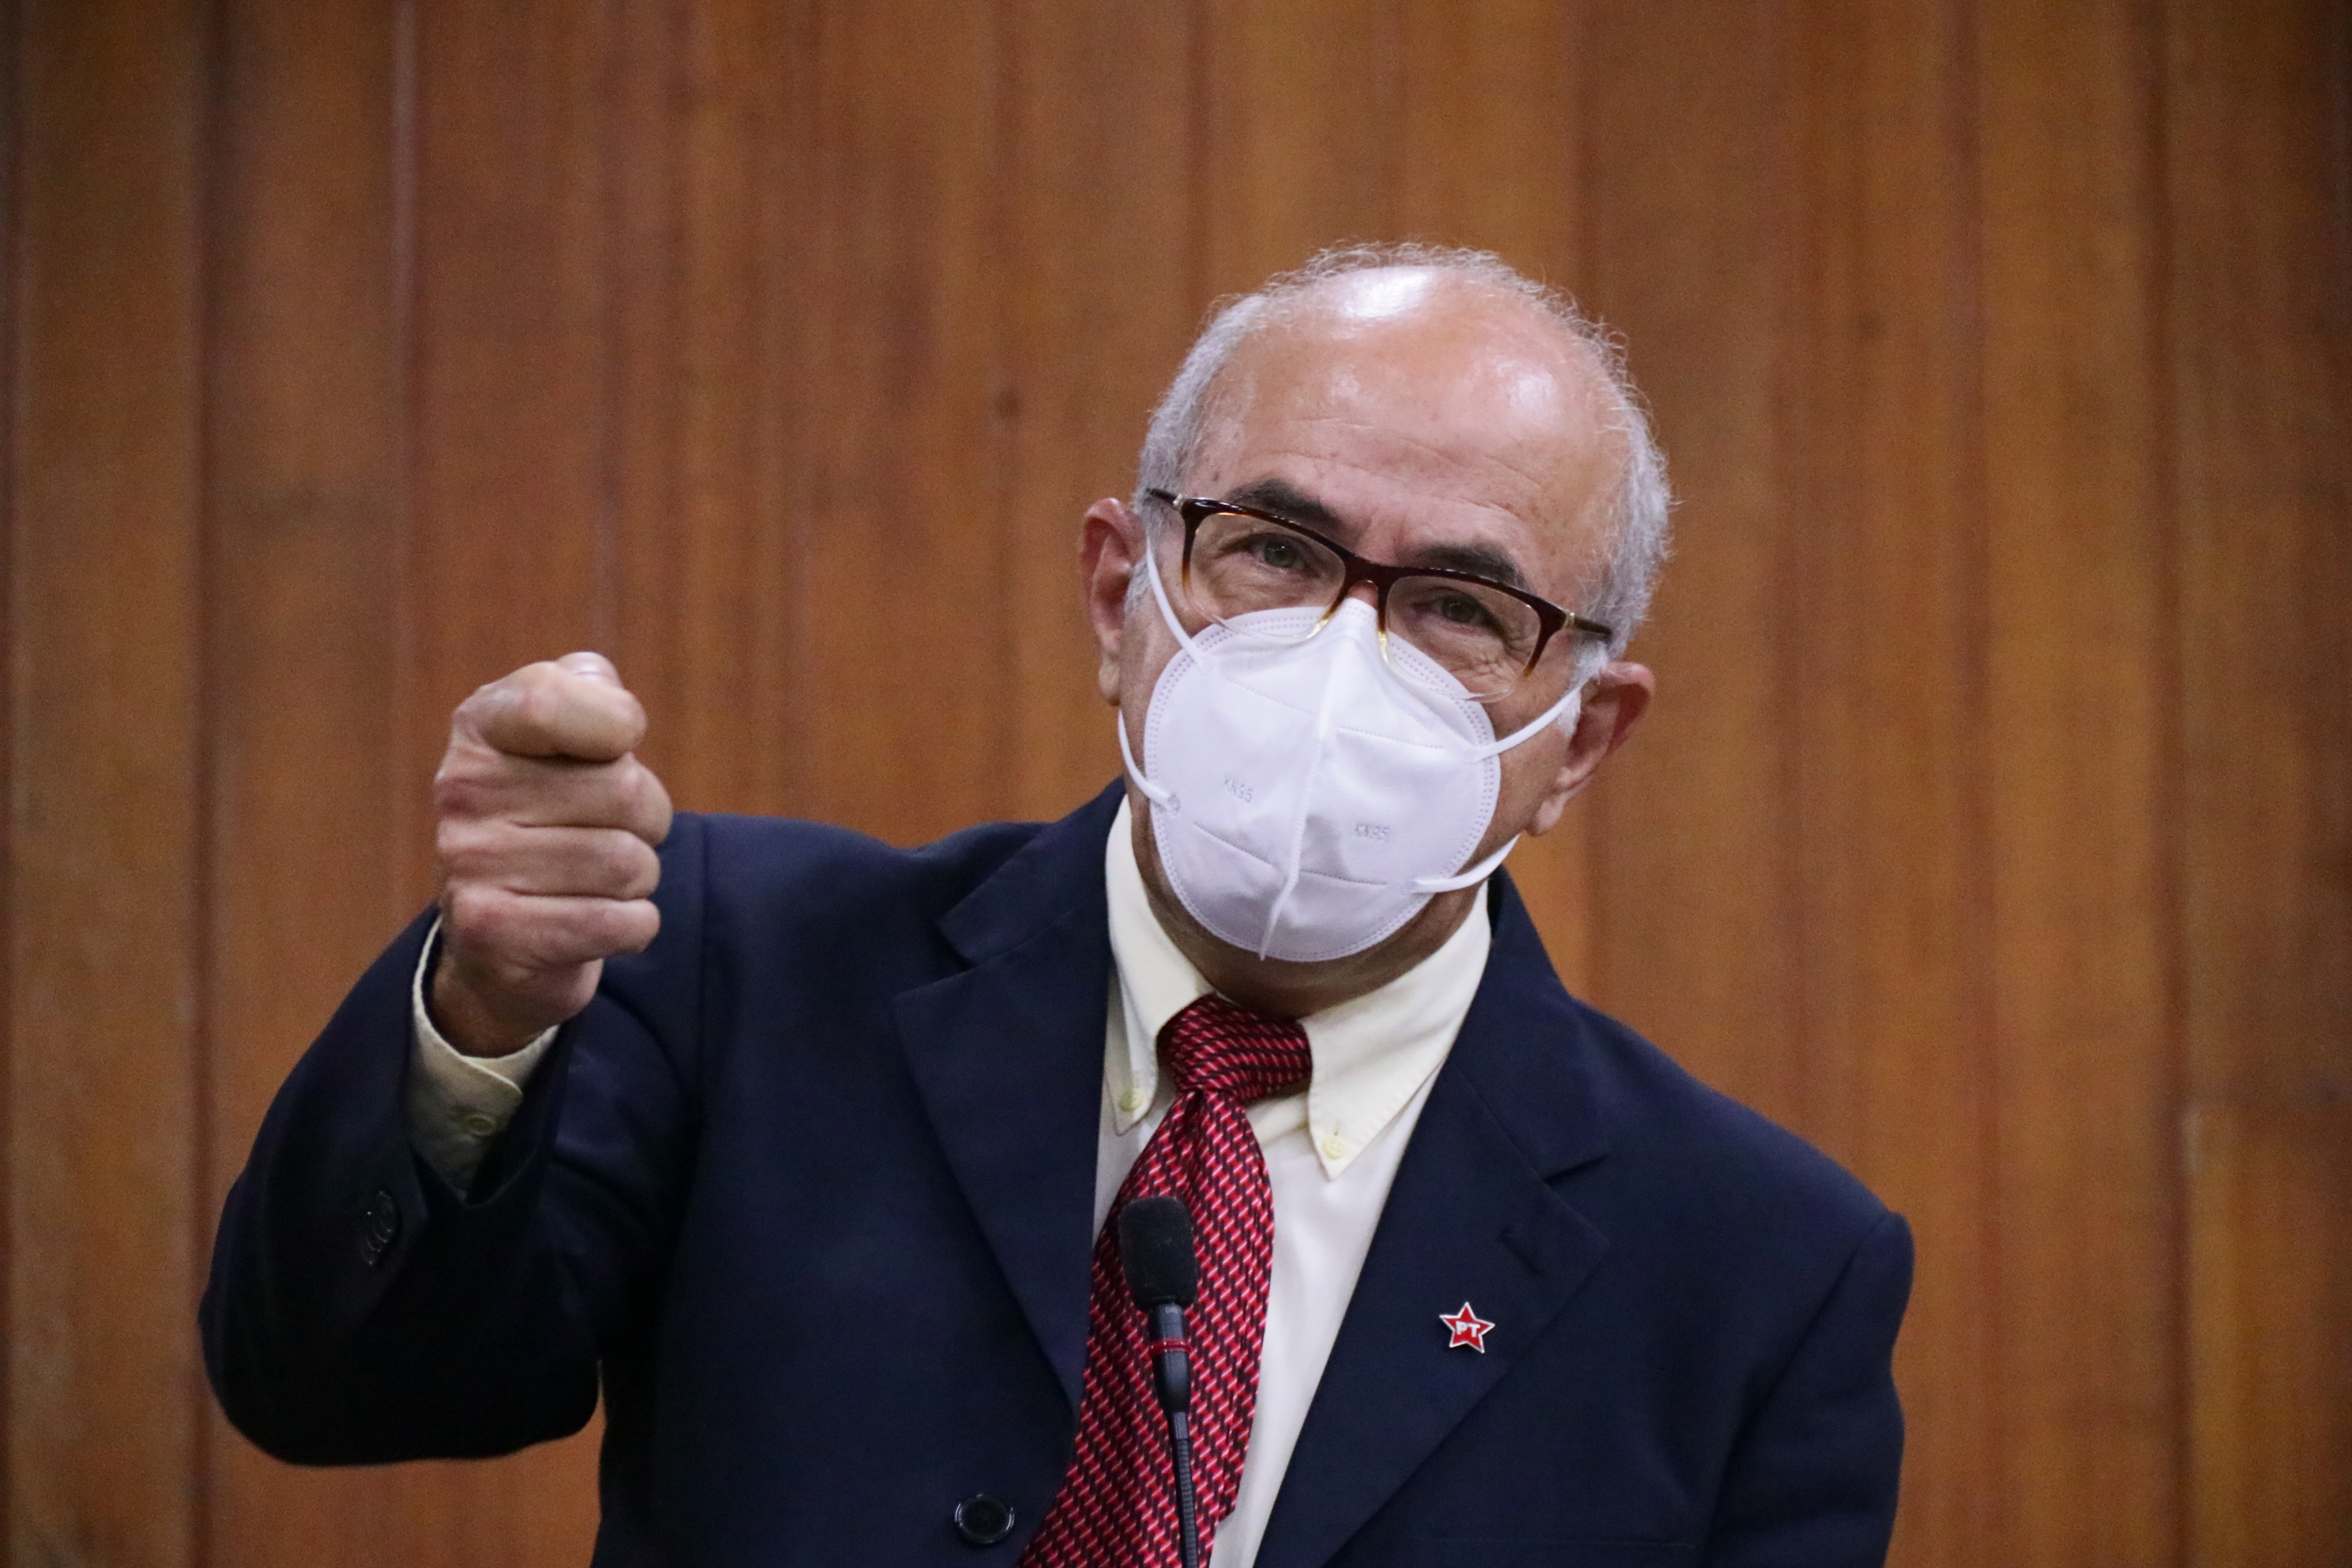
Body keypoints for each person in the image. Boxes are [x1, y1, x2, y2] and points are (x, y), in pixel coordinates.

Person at [203, 245, 1911, 1568]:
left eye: (1460, 604)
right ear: (1120, 592)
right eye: (1273, 550)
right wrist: (487, 1015)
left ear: (1579, 740)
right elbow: (337, 1391)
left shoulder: (1759, 1268)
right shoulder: (739, 969)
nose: (1340, 655)